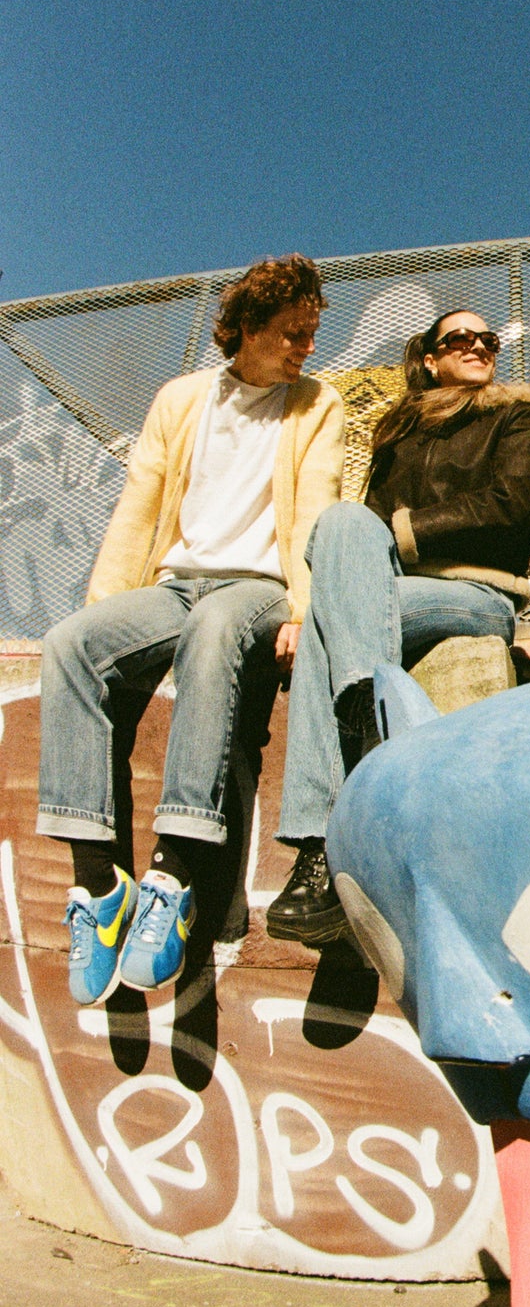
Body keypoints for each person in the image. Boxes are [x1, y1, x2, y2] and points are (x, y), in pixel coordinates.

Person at [39, 254, 345, 1005]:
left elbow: (317, 505)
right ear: (246, 328)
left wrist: (306, 612)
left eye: (312, 332)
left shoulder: (316, 403)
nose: (306, 347)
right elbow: (139, 508)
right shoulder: (180, 400)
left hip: (258, 589)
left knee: (214, 627)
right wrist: (104, 607)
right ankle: (99, 889)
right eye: (292, 333)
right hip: (174, 584)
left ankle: (173, 875)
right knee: (70, 645)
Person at [267, 309, 530, 944]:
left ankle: (319, 843)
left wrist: (404, 532)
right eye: (460, 339)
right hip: (388, 595)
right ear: (430, 358)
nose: (478, 346)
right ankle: (363, 702)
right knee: (341, 522)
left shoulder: (517, 417)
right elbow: (360, 534)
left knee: (327, 626)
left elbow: (510, 508)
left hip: (478, 593)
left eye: (488, 340)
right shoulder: (398, 431)